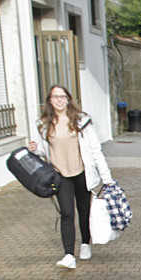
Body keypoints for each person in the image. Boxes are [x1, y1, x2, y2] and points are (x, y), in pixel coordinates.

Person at [28, 84, 113, 270]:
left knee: (84, 211)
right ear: (50, 101)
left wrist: (107, 178)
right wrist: (34, 149)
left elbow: (95, 151)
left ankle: (85, 243)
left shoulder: (81, 121)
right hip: (60, 175)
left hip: (82, 172)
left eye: (62, 96)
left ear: (68, 99)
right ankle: (68, 255)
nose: (59, 100)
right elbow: (45, 151)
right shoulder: (43, 124)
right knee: (67, 213)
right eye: (55, 97)